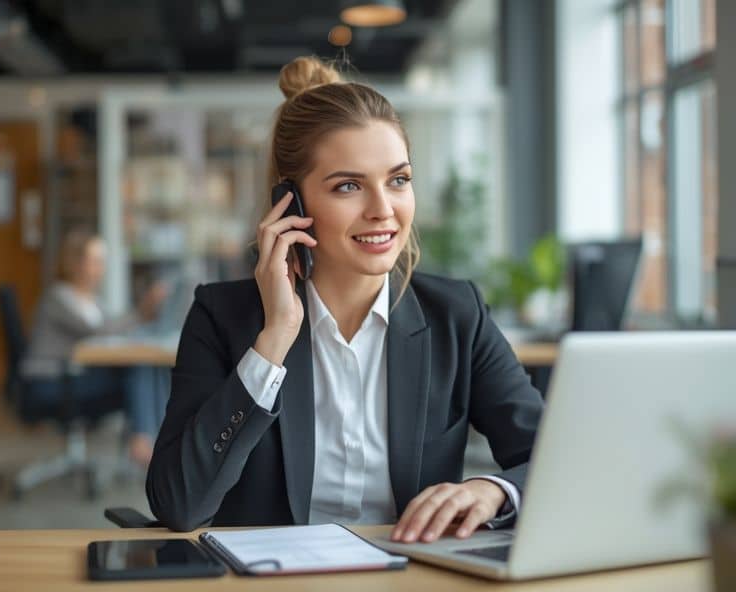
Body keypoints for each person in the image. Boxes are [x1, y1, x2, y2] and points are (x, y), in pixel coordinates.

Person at [147, 57, 544, 542]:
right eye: (349, 186)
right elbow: (179, 504)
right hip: (273, 576)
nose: (383, 209)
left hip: (410, 574)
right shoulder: (222, 316)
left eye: (398, 180)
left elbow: (553, 456)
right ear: (290, 203)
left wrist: (494, 489)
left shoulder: (456, 315)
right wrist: (273, 341)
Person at [21, 230, 169, 466]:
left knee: (148, 367)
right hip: (51, 382)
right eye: (95, 261)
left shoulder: (92, 300)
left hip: (74, 377)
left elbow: (112, 327)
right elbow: (98, 331)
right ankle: (142, 441)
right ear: (75, 263)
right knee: (139, 368)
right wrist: (141, 312)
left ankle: (153, 438)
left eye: (102, 261)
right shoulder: (57, 298)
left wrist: (143, 317)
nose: (101, 268)